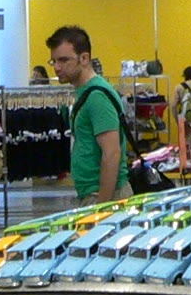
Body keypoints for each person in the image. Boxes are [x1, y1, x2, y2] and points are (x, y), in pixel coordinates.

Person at [46, 25, 130, 203]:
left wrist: (102, 207)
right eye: (53, 61)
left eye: (64, 60)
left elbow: (112, 154)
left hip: (104, 196)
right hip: (94, 193)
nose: (57, 67)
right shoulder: (85, 93)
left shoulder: (96, 96)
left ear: (84, 58)